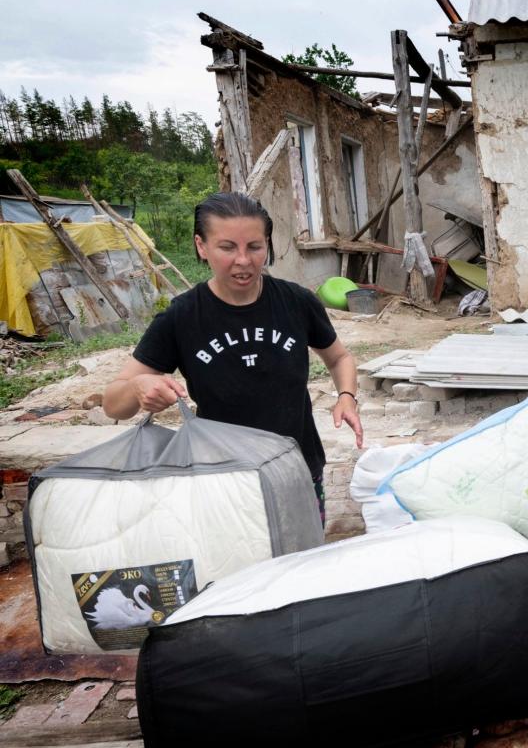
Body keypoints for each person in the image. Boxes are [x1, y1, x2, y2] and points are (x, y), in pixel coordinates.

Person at [102, 192, 363, 521]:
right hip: (224, 479)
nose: (244, 260)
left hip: (298, 470)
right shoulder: (182, 317)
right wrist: (138, 386)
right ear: (202, 246)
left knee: (303, 563)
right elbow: (113, 403)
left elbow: (339, 358)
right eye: (227, 247)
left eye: (255, 246)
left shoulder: (297, 302)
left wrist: (346, 396)